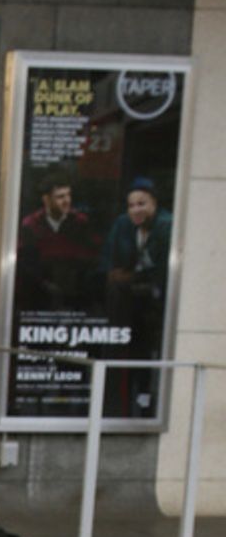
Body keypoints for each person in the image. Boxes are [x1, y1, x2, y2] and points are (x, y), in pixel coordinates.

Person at [102, 176, 173, 416]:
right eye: (131, 205)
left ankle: (145, 401)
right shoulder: (123, 224)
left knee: (147, 355)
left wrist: (131, 277)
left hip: (154, 307)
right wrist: (115, 275)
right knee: (127, 352)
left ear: (154, 203)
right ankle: (125, 401)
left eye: (142, 203)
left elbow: (163, 272)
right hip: (126, 306)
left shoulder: (166, 226)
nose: (136, 210)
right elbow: (108, 261)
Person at [15, 172, 99, 313]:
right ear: (46, 200)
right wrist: (45, 283)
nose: (67, 200)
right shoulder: (31, 224)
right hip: (39, 291)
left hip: (74, 290)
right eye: (60, 197)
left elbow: (92, 257)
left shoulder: (81, 222)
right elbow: (25, 262)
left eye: (68, 195)